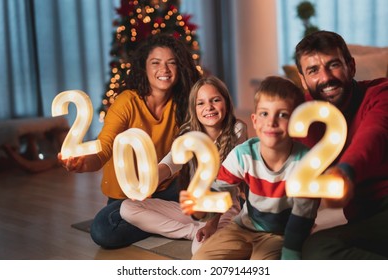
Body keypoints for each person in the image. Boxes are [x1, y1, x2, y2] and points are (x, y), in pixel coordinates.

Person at [58, 33, 201, 249]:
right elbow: (104, 147)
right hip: (129, 199)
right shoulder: (127, 102)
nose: (164, 69)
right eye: (156, 63)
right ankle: (166, 221)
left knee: (208, 196)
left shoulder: (184, 103)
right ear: (144, 67)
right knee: (103, 231)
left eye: (172, 63)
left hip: (168, 188)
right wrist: (83, 163)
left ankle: (158, 220)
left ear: (180, 68)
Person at [181, 76, 320, 260]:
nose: (271, 122)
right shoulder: (242, 154)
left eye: (283, 115)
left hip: (279, 233)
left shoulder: (306, 162)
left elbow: (303, 216)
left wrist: (291, 254)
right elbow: (221, 191)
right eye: (264, 114)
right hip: (243, 226)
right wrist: (200, 209)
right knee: (199, 260)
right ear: (254, 120)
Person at [120, 76, 248, 253]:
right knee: (127, 208)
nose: (208, 107)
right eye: (200, 103)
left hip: (223, 209)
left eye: (215, 100)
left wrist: (211, 224)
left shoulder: (237, 130)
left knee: (200, 251)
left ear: (226, 102)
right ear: (194, 109)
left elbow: (227, 185)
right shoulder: (188, 133)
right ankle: (191, 232)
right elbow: (169, 163)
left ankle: (216, 235)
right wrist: (147, 184)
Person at [294, 30, 388, 260]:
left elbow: (372, 136)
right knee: (315, 248)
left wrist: (344, 172)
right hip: (364, 220)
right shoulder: (304, 113)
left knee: (319, 248)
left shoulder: (380, 93)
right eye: (313, 70)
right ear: (303, 79)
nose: (325, 77)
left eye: (333, 64)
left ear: (351, 66)